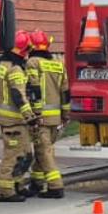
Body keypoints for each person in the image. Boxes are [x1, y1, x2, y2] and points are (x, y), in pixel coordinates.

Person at [0, 31, 35, 202]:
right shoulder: (16, 69)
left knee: (24, 153)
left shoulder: (4, 64)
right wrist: (30, 115)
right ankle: (6, 191)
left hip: (11, 119)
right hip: (14, 120)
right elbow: (18, 95)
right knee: (13, 155)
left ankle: (17, 185)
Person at [26, 30, 68, 199]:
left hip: (41, 118)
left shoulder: (32, 63)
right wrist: (66, 114)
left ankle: (55, 186)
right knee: (43, 150)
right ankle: (36, 183)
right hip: (56, 117)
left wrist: (35, 114)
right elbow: (66, 92)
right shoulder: (58, 64)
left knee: (44, 152)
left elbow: (34, 89)